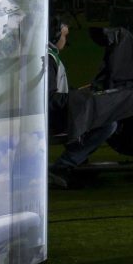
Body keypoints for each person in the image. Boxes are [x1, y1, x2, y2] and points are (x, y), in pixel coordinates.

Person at [47, 16, 116, 189]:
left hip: (55, 115)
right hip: (52, 119)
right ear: (55, 36)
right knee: (108, 123)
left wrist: (78, 93)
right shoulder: (47, 59)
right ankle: (64, 166)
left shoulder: (48, 56)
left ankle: (78, 162)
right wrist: (78, 96)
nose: (65, 40)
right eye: (65, 35)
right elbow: (50, 100)